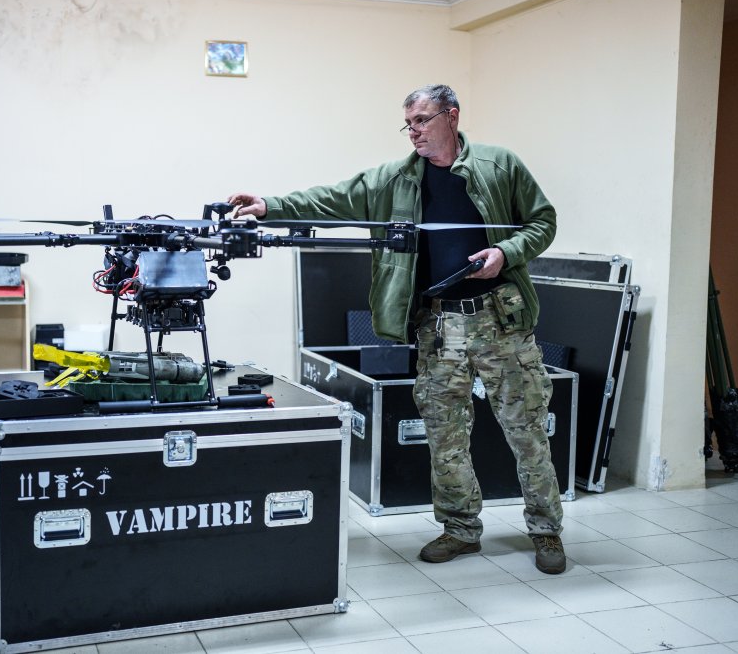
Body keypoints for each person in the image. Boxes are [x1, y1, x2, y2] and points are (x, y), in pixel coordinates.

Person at [228, 84, 565, 574]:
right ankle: (459, 529)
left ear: (452, 116)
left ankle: (546, 531)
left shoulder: (499, 165)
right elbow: (334, 200)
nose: (414, 132)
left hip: (499, 321)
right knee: (445, 432)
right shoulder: (396, 178)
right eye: (408, 123)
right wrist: (270, 205)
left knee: (526, 430)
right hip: (439, 325)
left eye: (423, 121)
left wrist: (505, 254)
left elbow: (542, 222)